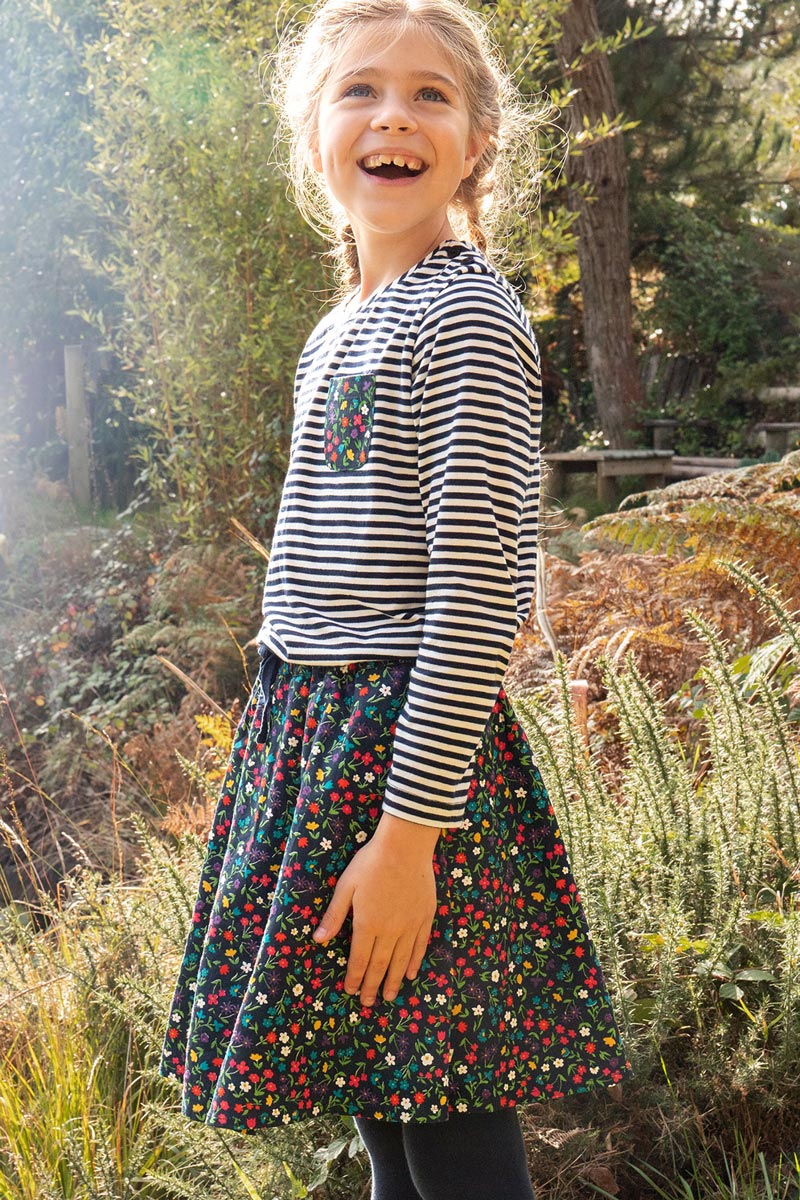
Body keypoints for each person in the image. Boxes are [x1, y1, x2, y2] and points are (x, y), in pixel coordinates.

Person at [160, 1, 630, 1196]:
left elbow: (476, 600)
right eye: (359, 89)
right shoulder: (346, 324)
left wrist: (407, 841)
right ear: (312, 131)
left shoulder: (463, 315)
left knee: (454, 1139)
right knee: (389, 1120)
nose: (393, 115)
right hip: (317, 744)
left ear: (477, 141)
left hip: (402, 764)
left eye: (431, 94)